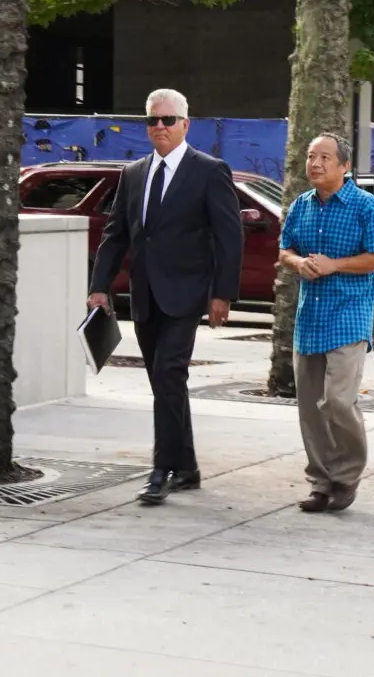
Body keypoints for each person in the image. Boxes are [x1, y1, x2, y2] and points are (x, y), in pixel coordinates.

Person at [87, 88, 244, 505]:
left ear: (185, 124)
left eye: (168, 120)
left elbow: (230, 236)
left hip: (187, 294)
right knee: (163, 382)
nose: (159, 127)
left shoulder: (210, 171)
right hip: (145, 296)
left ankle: (162, 469)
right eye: (153, 120)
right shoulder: (133, 173)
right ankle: (187, 466)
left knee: (170, 374)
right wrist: (100, 286)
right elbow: (116, 232)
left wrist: (222, 294)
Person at [278, 133, 374, 513]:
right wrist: (299, 264)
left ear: (345, 167)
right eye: (311, 156)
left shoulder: (366, 206)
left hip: (350, 315)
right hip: (310, 316)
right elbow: (285, 249)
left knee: (339, 402)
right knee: (310, 407)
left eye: (325, 157)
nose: (315, 163)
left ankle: (347, 475)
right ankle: (321, 482)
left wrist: (334, 265)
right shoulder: (301, 206)